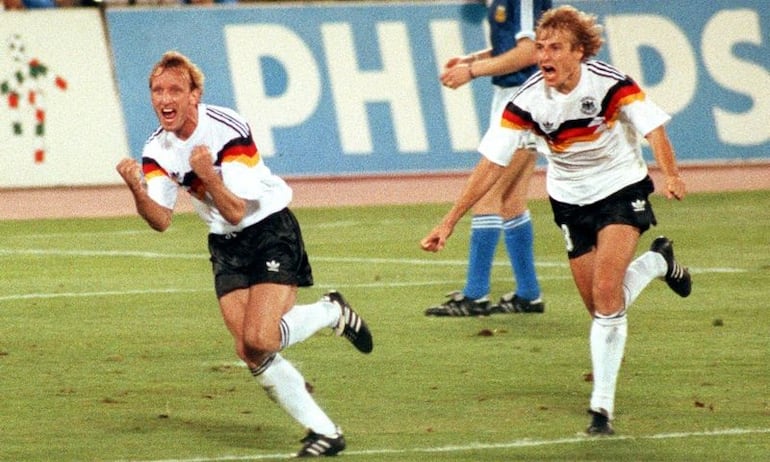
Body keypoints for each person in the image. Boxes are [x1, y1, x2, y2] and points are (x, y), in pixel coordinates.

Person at [421, 5, 692, 435]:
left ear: (579, 52)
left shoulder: (610, 84)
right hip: (569, 201)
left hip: (621, 188)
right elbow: (491, 163)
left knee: (606, 295)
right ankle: (659, 263)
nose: (544, 55)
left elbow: (653, 129)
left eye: (555, 47)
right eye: (541, 46)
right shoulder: (526, 99)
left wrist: (671, 174)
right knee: (601, 307)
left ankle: (601, 409)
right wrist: (449, 219)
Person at [116, 51, 373, 457]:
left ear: (194, 95)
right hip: (225, 243)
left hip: (269, 230)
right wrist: (135, 187)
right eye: (157, 90)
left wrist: (207, 174)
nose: (165, 98)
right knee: (249, 349)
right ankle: (325, 432)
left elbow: (237, 208)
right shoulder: (157, 148)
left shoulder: (227, 129)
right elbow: (161, 221)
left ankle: (330, 312)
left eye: (175, 90)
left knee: (261, 336)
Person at [425, 0, 551, 317]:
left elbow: (529, 52)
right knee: (510, 200)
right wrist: (474, 58)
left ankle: (476, 294)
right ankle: (528, 294)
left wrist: (472, 70)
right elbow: (512, 45)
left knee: (489, 192)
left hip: (524, 97)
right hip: (519, 95)